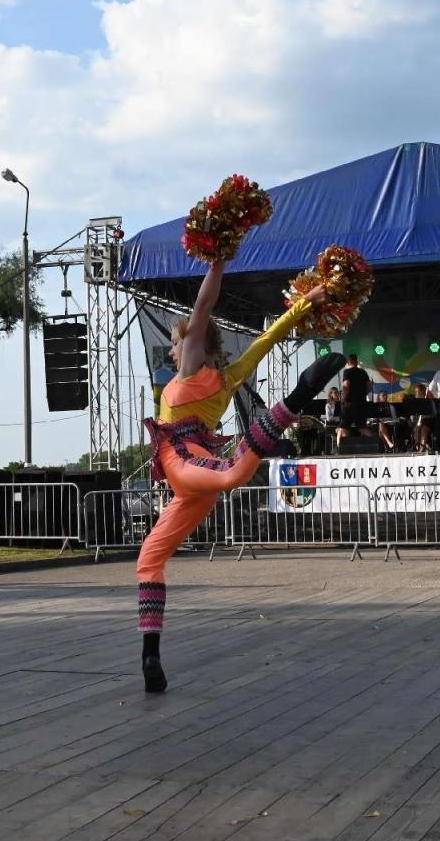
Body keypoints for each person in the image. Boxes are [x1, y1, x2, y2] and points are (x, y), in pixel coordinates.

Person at [136, 259, 343, 694]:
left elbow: (205, 302)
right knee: (149, 559)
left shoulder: (191, 367)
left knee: (232, 474)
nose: (174, 352)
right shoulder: (229, 378)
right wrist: (303, 306)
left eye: (178, 344)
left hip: (185, 462)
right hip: (190, 489)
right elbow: (266, 340)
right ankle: (149, 656)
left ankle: (295, 400)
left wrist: (218, 259)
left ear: (192, 343)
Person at [337, 354, 371, 446]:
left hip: (349, 404)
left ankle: (346, 448)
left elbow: (346, 386)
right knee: (362, 427)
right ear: (356, 361)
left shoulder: (347, 372)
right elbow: (369, 387)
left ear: (348, 362)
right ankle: (375, 444)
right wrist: (362, 395)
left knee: (344, 427)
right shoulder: (363, 372)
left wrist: (343, 399)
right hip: (361, 403)